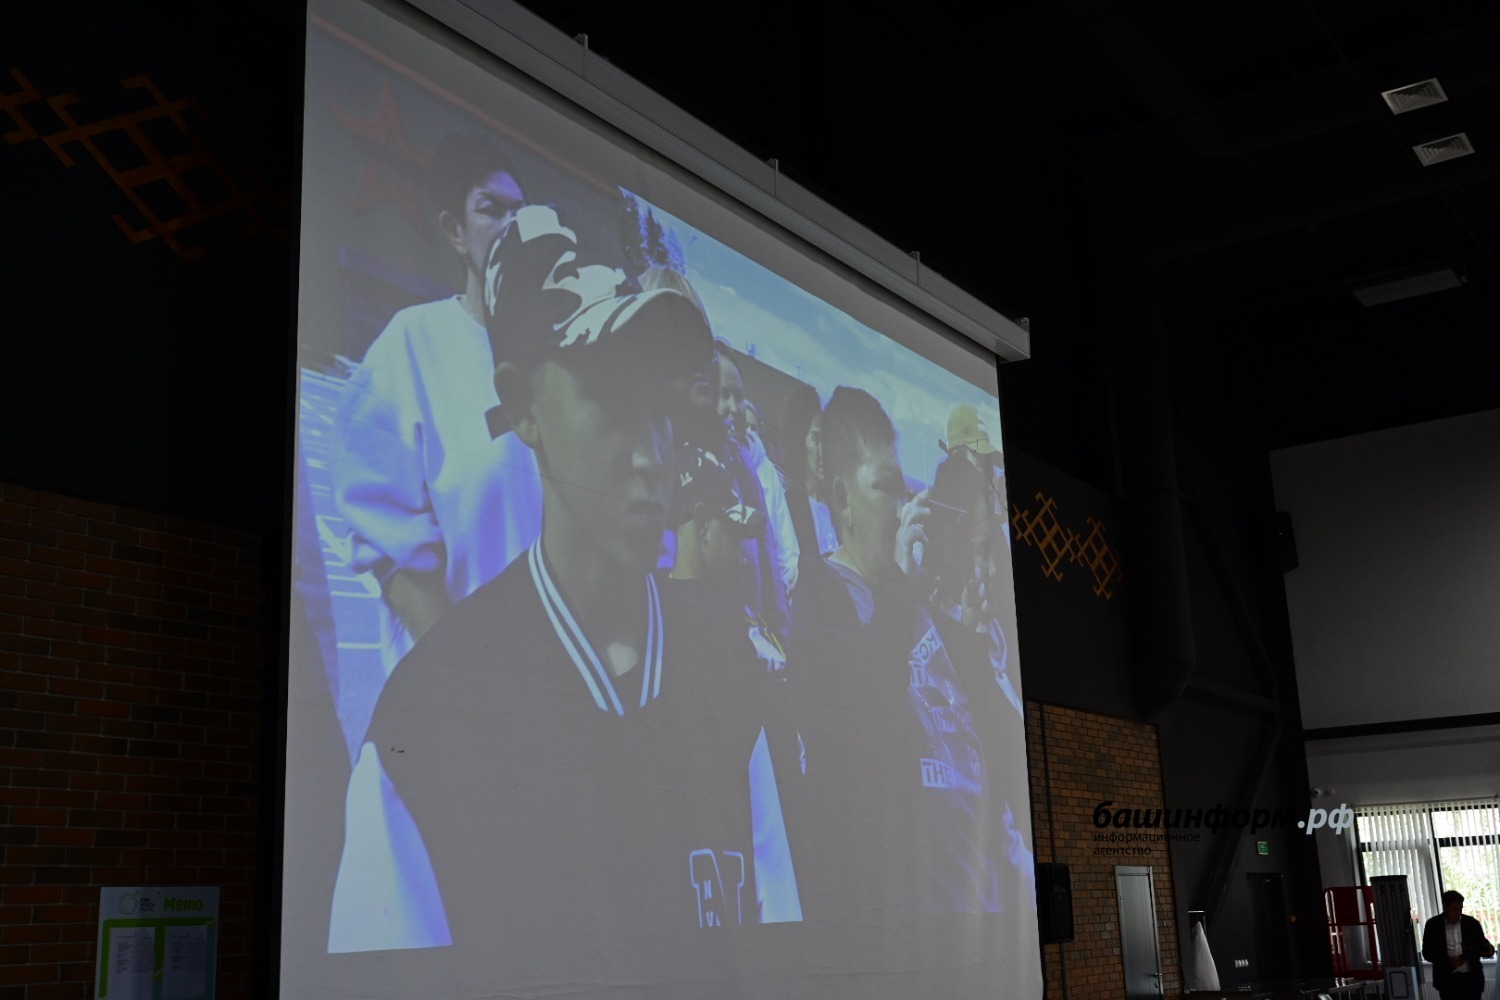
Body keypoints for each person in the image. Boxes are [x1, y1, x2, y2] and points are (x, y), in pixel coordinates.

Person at [344, 211, 799, 985]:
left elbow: (777, 955)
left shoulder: (730, 668)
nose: (650, 451)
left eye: (657, 402)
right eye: (609, 398)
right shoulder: (424, 726)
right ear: (521, 405)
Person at [792, 386, 1006, 919]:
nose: (903, 504)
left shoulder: (916, 601)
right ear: (843, 497)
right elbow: (851, 732)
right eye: (886, 487)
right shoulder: (818, 595)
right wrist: (899, 589)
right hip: (892, 917)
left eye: (903, 486)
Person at [331, 132, 542, 671]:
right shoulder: (411, 345)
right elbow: (390, 550)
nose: (511, 225)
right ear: (454, 230)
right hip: (458, 688)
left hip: (560, 686)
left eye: (521, 212)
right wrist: (464, 678)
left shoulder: (555, 359)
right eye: (491, 209)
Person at [1423, 891, 1496, 1000]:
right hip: (1447, 980)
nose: (1458, 913)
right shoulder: (1433, 925)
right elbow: (1427, 953)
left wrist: (1489, 951)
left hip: (1471, 979)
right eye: (1455, 909)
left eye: (1460, 909)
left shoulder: (1472, 923)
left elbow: (1483, 944)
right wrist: (1449, 962)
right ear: (1445, 907)